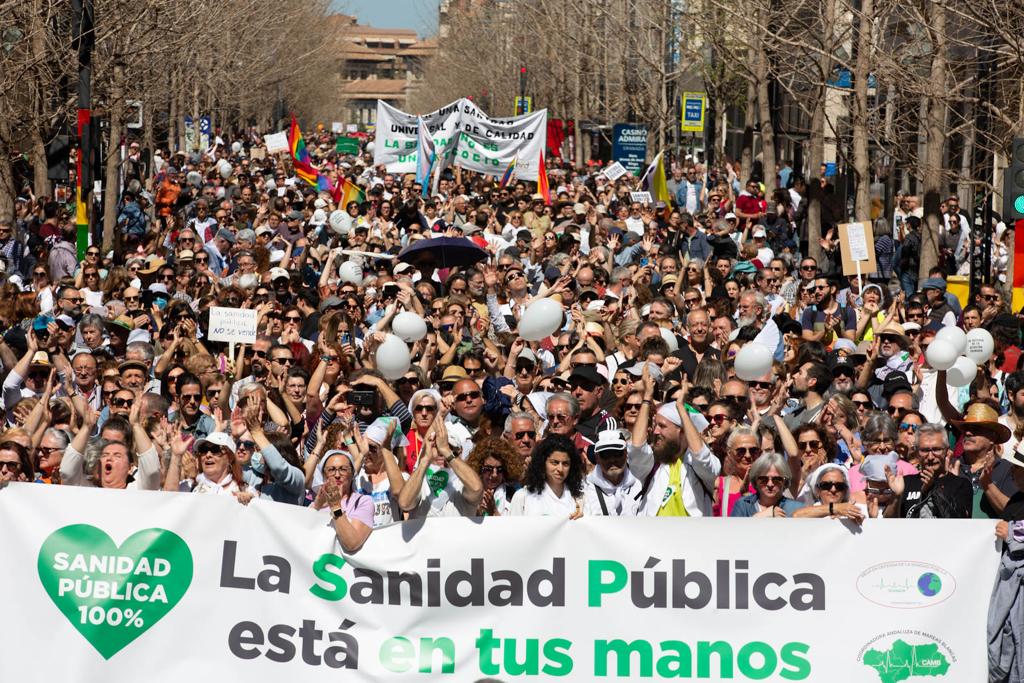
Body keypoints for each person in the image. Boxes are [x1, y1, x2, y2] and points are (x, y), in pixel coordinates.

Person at [312, 450, 373, 553]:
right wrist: (316, 507)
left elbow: (352, 543)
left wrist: (336, 506)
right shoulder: (317, 504)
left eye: (343, 469)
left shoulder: (363, 502)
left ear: (352, 473)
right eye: (331, 470)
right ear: (323, 474)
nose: (337, 475)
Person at [508, 434, 585, 517]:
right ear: (543, 463)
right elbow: (513, 528)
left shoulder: (580, 499)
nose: (560, 469)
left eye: (565, 464)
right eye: (554, 462)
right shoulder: (522, 497)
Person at [729, 451, 808, 517]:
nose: (770, 484)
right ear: (755, 480)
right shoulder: (742, 505)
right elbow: (734, 533)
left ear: (785, 481)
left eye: (777, 479)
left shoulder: (796, 508)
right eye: (763, 479)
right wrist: (761, 516)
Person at [583, 429, 642, 516]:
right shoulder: (585, 490)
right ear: (597, 458)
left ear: (626, 454)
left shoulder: (640, 486)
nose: (612, 460)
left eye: (617, 453)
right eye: (605, 455)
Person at [466, 436, 523, 516]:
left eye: (500, 469)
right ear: (479, 467)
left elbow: (511, 527)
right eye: (488, 469)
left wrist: (493, 511)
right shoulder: (467, 492)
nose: (494, 475)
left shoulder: (513, 494)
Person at [795, 463, 865, 523]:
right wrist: (835, 509)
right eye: (826, 485)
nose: (833, 489)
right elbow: (796, 516)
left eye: (839, 486)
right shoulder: (808, 511)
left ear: (845, 491)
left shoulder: (855, 510)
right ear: (817, 490)